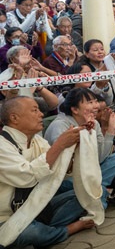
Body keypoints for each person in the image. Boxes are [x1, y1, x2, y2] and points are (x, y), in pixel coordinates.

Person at [0, 96, 95, 247]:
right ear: (14, 118)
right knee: (31, 233)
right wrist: (60, 144)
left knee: (89, 192)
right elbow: (28, 176)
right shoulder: (2, 145)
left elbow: (58, 170)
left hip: (36, 205)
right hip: (7, 217)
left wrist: (73, 148)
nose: (42, 114)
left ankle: (45, 229)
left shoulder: (37, 140)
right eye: (34, 110)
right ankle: (64, 230)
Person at [44, 88, 115, 210]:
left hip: (89, 171)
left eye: (95, 101)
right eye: (90, 103)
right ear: (75, 109)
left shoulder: (94, 123)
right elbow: (66, 163)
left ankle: (100, 191)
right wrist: (86, 134)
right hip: (68, 176)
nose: (96, 106)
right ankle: (101, 192)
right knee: (75, 182)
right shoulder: (60, 126)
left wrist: (111, 130)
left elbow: (100, 157)